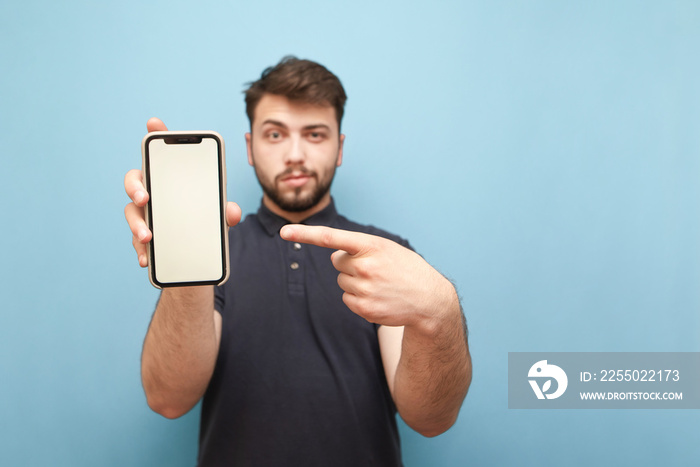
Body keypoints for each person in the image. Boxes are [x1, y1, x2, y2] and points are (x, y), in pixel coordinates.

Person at [124, 56, 472, 466]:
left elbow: (431, 418)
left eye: (315, 134)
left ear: (339, 148)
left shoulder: (385, 256)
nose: (294, 154)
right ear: (250, 147)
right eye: (274, 134)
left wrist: (442, 311)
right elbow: (167, 398)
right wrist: (187, 250)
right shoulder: (213, 255)